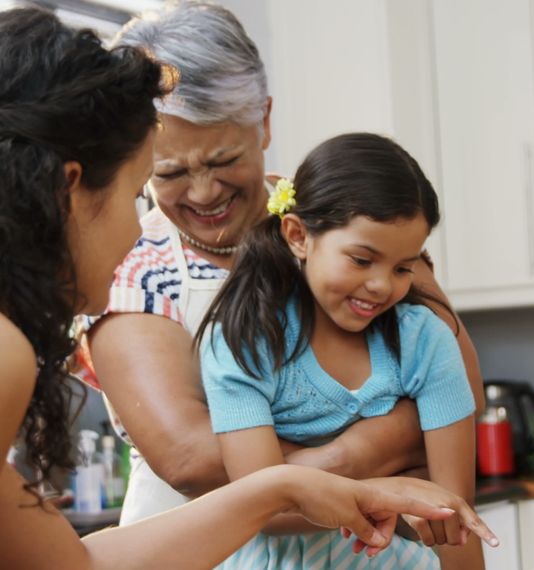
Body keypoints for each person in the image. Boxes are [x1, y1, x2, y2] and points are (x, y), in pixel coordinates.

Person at [0, 8, 493, 569]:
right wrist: (369, 447)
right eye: (141, 190)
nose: (135, 238)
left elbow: (70, 566)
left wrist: (281, 485)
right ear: (72, 190)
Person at [86, 0, 486, 528]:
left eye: (225, 160)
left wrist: (316, 466)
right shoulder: (129, 267)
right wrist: (356, 458)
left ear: (265, 122)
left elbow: (461, 387)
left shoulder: (349, 225)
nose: (204, 193)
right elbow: (190, 458)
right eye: (170, 172)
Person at [198, 133, 485, 569]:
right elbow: (259, 506)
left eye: (403, 267)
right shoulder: (246, 342)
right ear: (297, 235)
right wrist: (386, 492)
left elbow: (452, 518)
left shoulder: (426, 342)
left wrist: (304, 478)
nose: (381, 285)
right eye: (361, 259)